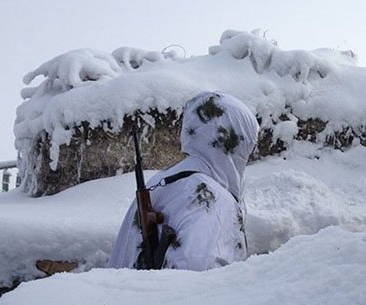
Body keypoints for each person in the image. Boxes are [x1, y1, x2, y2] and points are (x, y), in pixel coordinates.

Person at [107, 91, 259, 270]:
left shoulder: (162, 181)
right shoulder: (212, 200)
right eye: (248, 145)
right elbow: (196, 279)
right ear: (233, 143)